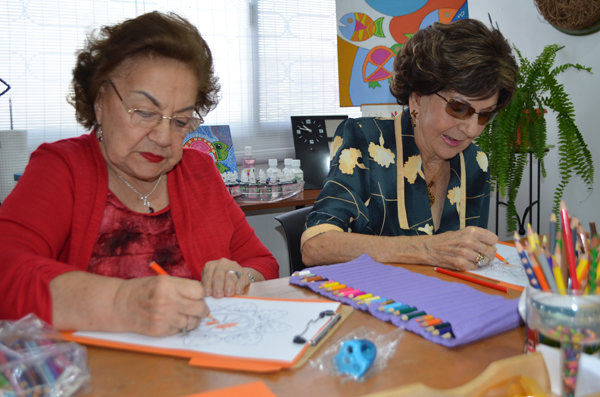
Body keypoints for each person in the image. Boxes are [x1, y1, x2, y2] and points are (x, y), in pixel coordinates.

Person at [0, 12, 278, 336]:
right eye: (145, 113)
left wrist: (238, 277)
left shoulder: (198, 171)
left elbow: (261, 263)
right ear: (100, 101)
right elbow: (6, 268)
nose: (163, 137)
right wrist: (121, 302)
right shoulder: (62, 167)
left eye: (180, 121)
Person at [302, 19, 518, 271]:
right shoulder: (365, 140)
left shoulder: (475, 162)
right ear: (417, 99)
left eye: (484, 115)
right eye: (458, 107)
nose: (471, 130)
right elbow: (315, 245)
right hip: (367, 302)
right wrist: (428, 250)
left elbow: (468, 257)